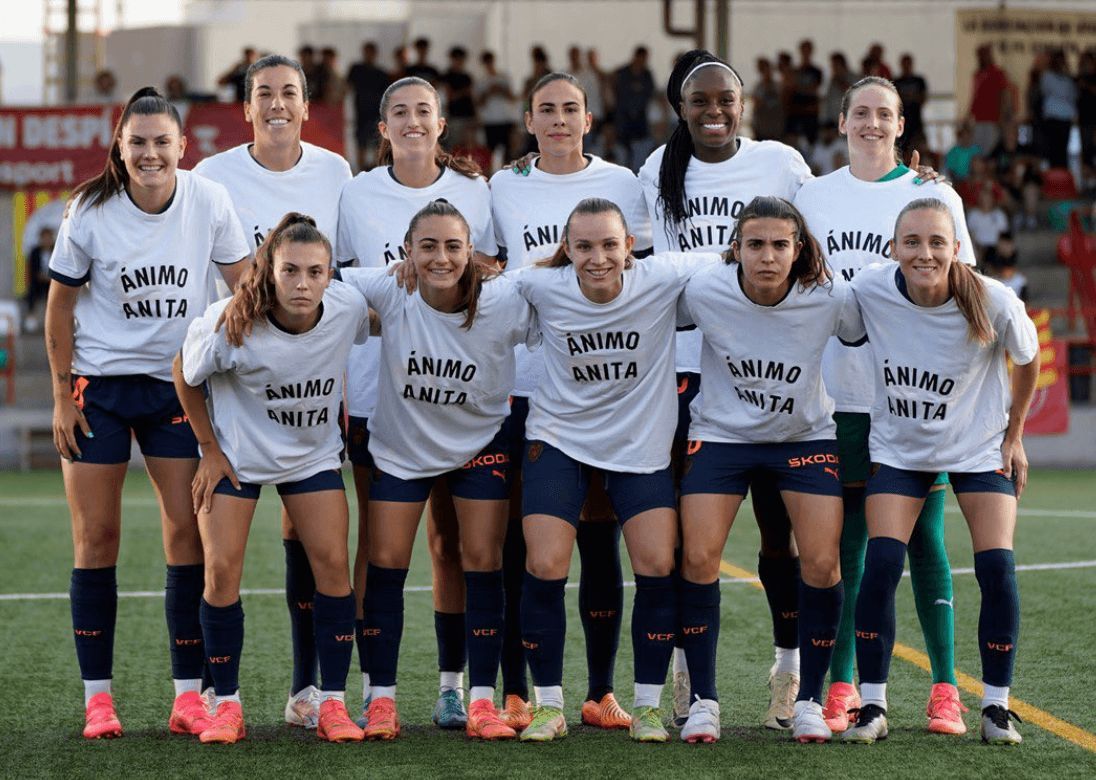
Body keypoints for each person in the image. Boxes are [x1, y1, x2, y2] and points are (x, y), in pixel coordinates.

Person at [44, 86, 250, 740]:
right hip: (101, 388)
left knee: (186, 534)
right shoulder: (89, 208)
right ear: (120, 146)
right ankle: (98, 700)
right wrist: (61, 394)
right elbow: (59, 306)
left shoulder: (209, 200)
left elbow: (245, 289)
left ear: (182, 146)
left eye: (162, 141)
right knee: (96, 538)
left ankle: (187, 696)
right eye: (138, 142)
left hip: (176, 387)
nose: (150, 153)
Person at [793, 75, 976, 737]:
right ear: (842, 121)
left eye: (885, 114)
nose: (872, 123)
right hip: (836, 397)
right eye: (861, 113)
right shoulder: (812, 196)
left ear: (901, 125)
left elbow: (964, 291)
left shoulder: (934, 196)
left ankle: (945, 689)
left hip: (912, 399)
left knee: (925, 539)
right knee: (847, 543)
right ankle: (843, 686)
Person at [639, 49, 811, 731]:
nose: (714, 111)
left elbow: (820, 234)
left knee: (778, 537)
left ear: (744, 104)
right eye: (700, 100)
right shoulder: (657, 169)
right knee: (691, 542)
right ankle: (687, 673)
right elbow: (634, 254)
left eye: (725, 99)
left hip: (767, 366)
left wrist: (919, 181)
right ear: (679, 108)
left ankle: (789, 669)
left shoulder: (781, 164)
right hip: (683, 370)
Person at [511, 197, 718, 744]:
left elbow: (734, 256)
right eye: (584, 247)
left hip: (638, 446)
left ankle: (647, 706)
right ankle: (548, 706)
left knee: (657, 563)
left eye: (609, 244)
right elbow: (471, 288)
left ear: (630, 246)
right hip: (560, 438)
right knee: (545, 563)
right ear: (567, 249)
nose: (598, 258)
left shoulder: (662, 276)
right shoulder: (540, 285)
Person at [192, 53, 353, 730]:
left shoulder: (336, 172)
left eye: (290, 92)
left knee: (321, 555)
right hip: (239, 387)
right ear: (247, 106)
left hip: (306, 408)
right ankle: (219, 698)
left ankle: (313, 693)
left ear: (307, 106)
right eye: (265, 93)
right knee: (219, 565)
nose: (278, 103)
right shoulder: (211, 175)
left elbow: (360, 277)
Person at [841, 197, 1039, 746]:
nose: (923, 253)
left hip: (977, 448)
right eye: (912, 242)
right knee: (882, 563)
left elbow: (1028, 360)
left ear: (956, 249)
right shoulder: (870, 289)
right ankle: (872, 705)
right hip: (901, 450)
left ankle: (996, 707)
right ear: (893, 248)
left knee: (997, 567)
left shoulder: (994, 299)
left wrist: (1014, 435)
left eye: (936, 242)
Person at [490, 71, 653, 733]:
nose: (558, 119)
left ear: (589, 118)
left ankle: (600, 691)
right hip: (521, 385)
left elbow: (645, 270)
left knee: (599, 538)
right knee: (521, 544)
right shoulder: (502, 184)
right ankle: (516, 691)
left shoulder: (624, 183)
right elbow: (488, 264)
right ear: (528, 121)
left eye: (570, 109)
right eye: (546, 109)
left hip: (603, 391)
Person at [340, 200, 536, 741]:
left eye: (453, 246)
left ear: (472, 251)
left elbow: (562, 291)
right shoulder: (389, 288)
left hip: (481, 445)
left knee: (482, 562)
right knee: (386, 562)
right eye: (427, 246)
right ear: (407, 252)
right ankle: (381, 699)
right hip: (402, 451)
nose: (441, 258)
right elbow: (311, 277)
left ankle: (479, 700)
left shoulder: (503, 298)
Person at [336, 75, 497, 731]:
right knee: (380, 547)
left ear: (441, 122)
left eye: (422, 110)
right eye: (398, 112)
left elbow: (492, 272)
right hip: (379, 393)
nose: (411, 121)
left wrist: (445, 271)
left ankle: (454, 688)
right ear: (382, 128)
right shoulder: (355, 193)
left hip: (459, 392)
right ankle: (368, 689)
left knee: (453, 544)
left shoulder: (475, 190)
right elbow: (339, 284)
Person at [174, 213, 369, 745]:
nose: (303, 283)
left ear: (330, 275)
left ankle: (330, 703)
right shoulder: (232, 321)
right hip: (238, 458)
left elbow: (382, 312)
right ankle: (226, 705)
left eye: (315, 272)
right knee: (221, 572)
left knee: (333, 568)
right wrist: (208, 449)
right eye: (290, 271)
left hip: (311, 458)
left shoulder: (348, 308)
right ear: (270, 271)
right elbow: (183, 373)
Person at [676, 195, 860, 744]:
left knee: (822, 563)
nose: (768, 256)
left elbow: (883, 311)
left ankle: (808, 697)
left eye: (780, 244)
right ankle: (702, 698)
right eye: (755, 244)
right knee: (697, 556)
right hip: (722, 435)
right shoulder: (703, 289)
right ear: (736, 248)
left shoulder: (829, 297)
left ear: (798, 248)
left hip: (802, 438)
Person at [347, 42, 393, 171]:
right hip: (361, 114)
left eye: (371, 52)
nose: (369, 55)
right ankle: (361, 171)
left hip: (376, 114)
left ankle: (375, 171)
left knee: (376, 145)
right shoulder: (356, 69)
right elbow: (347, 88)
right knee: (361, 144)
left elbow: (387, 96)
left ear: (375, 54)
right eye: (367, 52)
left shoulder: (381, 74)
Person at [614, 47, 656, 171]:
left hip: (640, 117)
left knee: (640, 148)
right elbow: (617, 91)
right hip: (624, 117)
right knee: (623, 149)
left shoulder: (647, 74)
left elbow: (651, 92)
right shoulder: (623, 73)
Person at [969, 45, 1013, 155]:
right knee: (977, 149)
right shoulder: (977, 74)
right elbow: (975, 96)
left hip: (993, 119)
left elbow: (1004, 95)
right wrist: (969, 115)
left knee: (990, 149)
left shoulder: (998, 73)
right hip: (979, 119)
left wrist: (1002, 116)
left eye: (986, 54)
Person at [1040, 50, 1077, 169]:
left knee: (1063, 150)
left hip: (1065, 119)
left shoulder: (1068, 78)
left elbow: (1072, 95)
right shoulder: (1047, 76)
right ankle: (1053, 174)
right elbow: (1048, 90)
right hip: (1052, 118)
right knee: (1053, 149)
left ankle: (1062, 174)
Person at [476, 51, 516, 163]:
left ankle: (507, 172)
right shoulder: (481, 81)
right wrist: (488, 92)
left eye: (490, 61)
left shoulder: (503, 77)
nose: (489, 64)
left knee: (508, 152)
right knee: (490, 152)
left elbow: (512, 98)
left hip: (505, 118)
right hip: (490, 120)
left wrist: (501, 90)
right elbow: (478, 103)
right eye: (486, 62)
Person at [787, 39, 823, 146]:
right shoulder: (794, 71)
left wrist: (798, 87)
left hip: (810, 113)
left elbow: (814, 89)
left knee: (811, 143)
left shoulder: (817, 71)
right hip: (796, 112)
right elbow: (790, 89)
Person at [441, 47, 477, 147]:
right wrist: (463, 92)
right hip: (455, 115)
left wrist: (476, 114)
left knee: (469, 145)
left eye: (461, 59)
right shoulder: (447, 76)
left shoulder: (467, 77)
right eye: (457, 59)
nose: (459, 62)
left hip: (469, 114)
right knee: (455, 145)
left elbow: (472, 97)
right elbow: (449, 96)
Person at [893, 54, 927, 153]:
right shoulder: (896, 82)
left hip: (916, 121)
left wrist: (907, 97)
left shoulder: (919, 81)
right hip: (901, 120)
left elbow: (923, 98)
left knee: (918, 148)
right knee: (902, 149)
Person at [752, 58, 785, 142]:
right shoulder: (759, 88)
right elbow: (756, 106)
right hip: (761, 129)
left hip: (776, 130)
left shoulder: (778, 86)